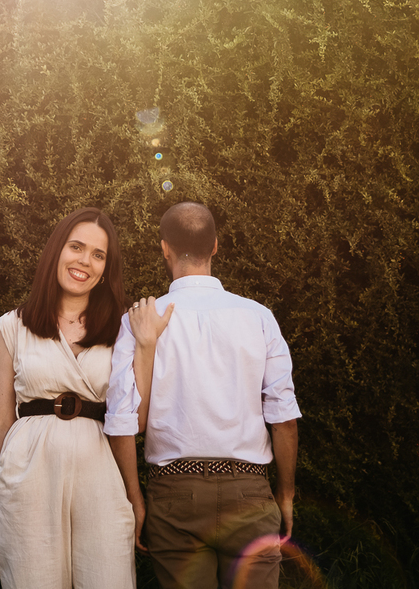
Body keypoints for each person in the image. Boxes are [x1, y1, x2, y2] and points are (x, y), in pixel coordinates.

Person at [105, 202, 301, 589]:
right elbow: (284, 419)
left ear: (165, 249)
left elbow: (122, 422)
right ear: (215, 246)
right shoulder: (259, 317)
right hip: (249, 491)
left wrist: (136, 500)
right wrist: (286, 493)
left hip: (174, 494)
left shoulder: (140, 319)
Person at [0, 207, 136, 588]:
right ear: (56, 252)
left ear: (105, 270)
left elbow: (129, 417)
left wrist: (135, 496)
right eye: (76, 247)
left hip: (99, 475)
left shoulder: (123, 329)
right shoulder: (12, 326)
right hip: (27, 475)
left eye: (98, 255)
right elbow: (0, 420)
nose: (85, 261)